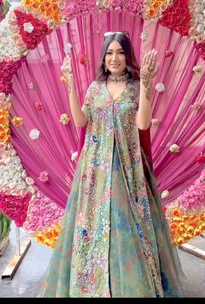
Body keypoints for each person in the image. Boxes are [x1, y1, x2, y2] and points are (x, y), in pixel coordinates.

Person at [39, 31, 185, 298]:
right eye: (109, 52)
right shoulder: (95, 88)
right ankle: (91, 286)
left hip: (128, 168)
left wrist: (148, 84)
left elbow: (142, 124)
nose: (114, 58)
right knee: (93, 226)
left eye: (119, 52)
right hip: (95, 168)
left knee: (127, 227)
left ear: (127, 56)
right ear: (103, 57)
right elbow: (81, 121)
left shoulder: (135, 87)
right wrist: (70, 84)